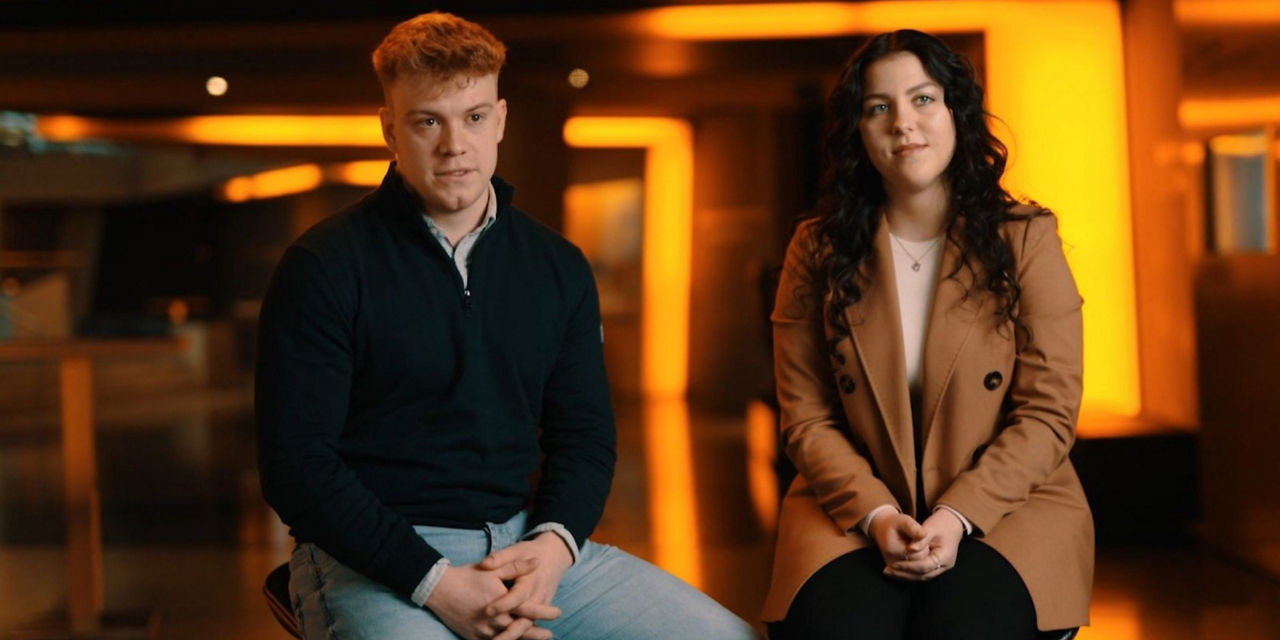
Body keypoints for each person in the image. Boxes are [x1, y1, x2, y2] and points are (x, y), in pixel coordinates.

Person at [255, 12, 758, 640]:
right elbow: (297, 467)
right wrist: (435, 581)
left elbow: (585, 437)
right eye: (427, 121)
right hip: (373, 559)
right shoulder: (325, 265)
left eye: (471, 117)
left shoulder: (557, 267)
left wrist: (552, 549)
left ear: (499, 119)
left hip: (526, 548)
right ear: (390, 129)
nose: (453, 145)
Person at [762, 29, 1093, 639]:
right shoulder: (817, 248)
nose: (902, 124)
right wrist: (878, 514)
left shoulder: (1026, 238)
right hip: (855, 503)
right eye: (878, 107)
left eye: (922, 99)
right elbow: (806, 418)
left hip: (1008, 503)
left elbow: (1048, 412)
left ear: (955, 113)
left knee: (967, 625)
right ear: (858, 132)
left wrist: (958, 514)